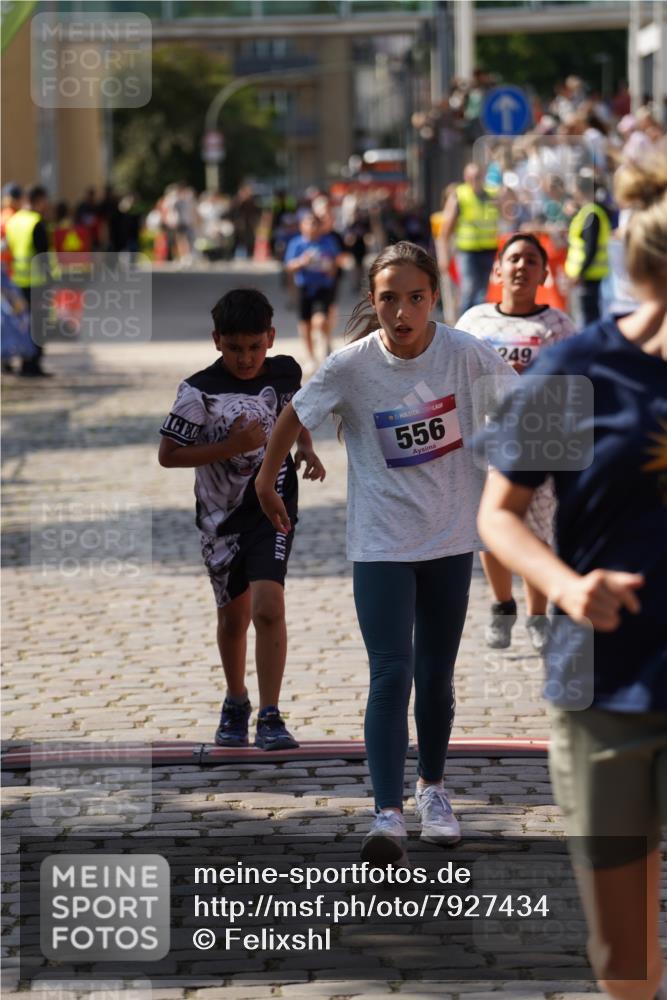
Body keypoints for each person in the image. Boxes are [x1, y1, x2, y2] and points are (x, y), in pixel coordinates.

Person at [477, 154, 667, 1000]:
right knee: (623, 961)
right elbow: (499, 515)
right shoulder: (578, 372)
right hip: (602, 684)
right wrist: (563, 586)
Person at [255, 242, 514, 862]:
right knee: (391, 671)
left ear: (434, 298)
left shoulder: (467, 354)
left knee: (436, 675)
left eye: (416, 298)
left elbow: (523, 407)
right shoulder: (351, 365)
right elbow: (296, 411)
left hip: (450, 537)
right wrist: (267, 478)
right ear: (373, 300)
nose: (402, 312)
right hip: (381, 542)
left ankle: (433, 790)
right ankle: (387, 813)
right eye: (390, 298)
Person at [158, 288, 325, 751]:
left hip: (273, 505)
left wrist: (305, 447)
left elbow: (293, 412)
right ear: (217, 341)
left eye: (255, 346)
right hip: (220, 517)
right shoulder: (198, 391)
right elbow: (168, 455)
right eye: (234, 348)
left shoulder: (285, 371)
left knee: (269, 606)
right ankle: (236, 701)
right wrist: (230, 447)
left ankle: (271, 714)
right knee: (234, 620)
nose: (246, 358)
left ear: (271, 336)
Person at [457, 233, 577, 651]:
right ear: (497, 269)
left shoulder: (558, 326)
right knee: (489, 526)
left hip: (541, 445)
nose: (521, 266)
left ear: (544, 274)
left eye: (531, 260)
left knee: (539, 530)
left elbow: (575, 385)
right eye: (513, 259)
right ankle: (502, 604)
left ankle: (538, 616)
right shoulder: (473, 322)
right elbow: (453, 374)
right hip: (486, 444)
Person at [284, 211, 345, 372]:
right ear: (301, 226)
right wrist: (302, 262)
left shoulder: (328, 241)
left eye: (315, 224)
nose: (312, 227)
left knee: (321, 320)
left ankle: (325, 340)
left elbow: (338, 261)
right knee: (305, 324)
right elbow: (289, 266)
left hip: (324, 286)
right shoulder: (297, 243)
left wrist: (330, 267)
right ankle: (311, 357)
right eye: (308, 223)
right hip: (305, 287)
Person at [438, 162, 499, 314]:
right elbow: (446, 228)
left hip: (488, 249)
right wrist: (444, 255)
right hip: (467, 250)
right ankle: (464, 322)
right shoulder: (459, 195)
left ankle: (478, 323)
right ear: (465, 178)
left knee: (483, 293)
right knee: (468, 288)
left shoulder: (492, 194)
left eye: (477, 177)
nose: (474, 180)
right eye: (471, 177)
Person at [4, 184, 52, 377]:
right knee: (38, 325)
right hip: (37, 282)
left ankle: (23, 361)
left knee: (21, 323)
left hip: (16, 281)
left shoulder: (13, 221)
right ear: (39, 200)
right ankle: (33, 364)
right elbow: (43, 256)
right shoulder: (36, 222)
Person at [565, 173, 611, 326]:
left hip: (588, 275)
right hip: (588, 275)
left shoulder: (592, 213)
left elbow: (591, 247)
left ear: (579, 190)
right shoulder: (586, 211)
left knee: (588, 319)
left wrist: (581, 272)